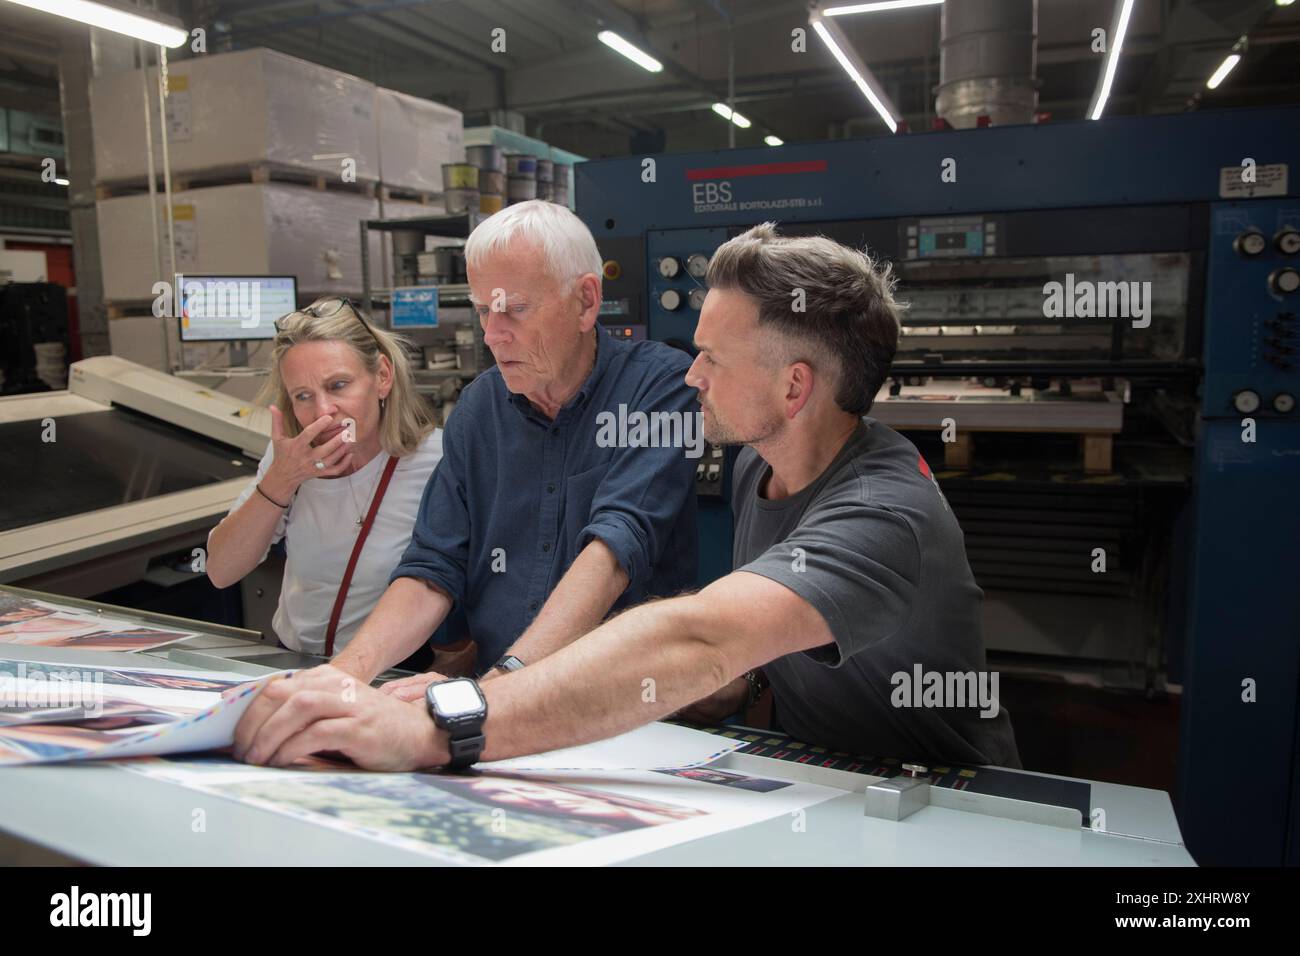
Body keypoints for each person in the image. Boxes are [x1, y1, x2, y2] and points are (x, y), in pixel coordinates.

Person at [233, 223, 1020, 772]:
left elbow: (699, 634)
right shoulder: (759, 466)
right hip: (818, 774)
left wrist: (448, 724)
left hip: (946, 800)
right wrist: (730, 687)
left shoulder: (884, 512)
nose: (691, 374)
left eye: (713, 357)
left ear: (793, 387)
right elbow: (755, 652)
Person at [323, 199, 700, 688]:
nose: (492, 336)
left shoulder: (659, 387)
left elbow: (615, 547)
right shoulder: (480, 407)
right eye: (483, 310)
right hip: (497, 693)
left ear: (586, 302)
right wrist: (343, 678)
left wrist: (502, 685)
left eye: (515, 310)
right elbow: (433, 564)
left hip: (624, 698)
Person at [206, 297, 442, 660]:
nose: (323, 411)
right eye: (303, 395)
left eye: (338, 385)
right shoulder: (290, 457)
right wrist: (281, 480)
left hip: (392, 669)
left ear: (382, 376)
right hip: (298, 660)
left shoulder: (436, 459)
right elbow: (221, 571)